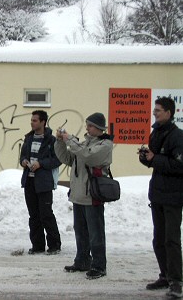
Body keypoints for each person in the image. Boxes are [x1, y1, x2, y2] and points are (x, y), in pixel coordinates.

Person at [54, 112, 113, 279]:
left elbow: (89, 155)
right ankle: (82, 260)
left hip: (92, 195)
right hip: (78, 194)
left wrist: (69, 139)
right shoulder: (84, 144)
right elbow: (67, 157)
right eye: (87, 124)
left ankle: (99, 265)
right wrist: (59, 141)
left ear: (100, 128)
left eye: (90, 125)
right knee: (80, 231)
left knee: (96, 232)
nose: (87, 128)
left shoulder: (105, 145)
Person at [139, 97, 183, 298]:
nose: (155, 113)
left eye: (158, 110)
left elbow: (179, 165)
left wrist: (154, 158)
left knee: (171, 239)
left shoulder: (178, 137)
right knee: (158, 239)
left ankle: (176, 281)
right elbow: (154, 161)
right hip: (157, 193)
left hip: (173, 195)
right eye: (154, 110)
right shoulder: (156, 132)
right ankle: (165, 275)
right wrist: (145, 157)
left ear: (169, 112)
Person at [20, 110, 62, 255]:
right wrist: (24, 161)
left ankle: (54, 245)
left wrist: (41, 164)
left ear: (43, 122)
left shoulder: (51, 140)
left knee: (46, 214)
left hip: (43, 182)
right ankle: (37, 245)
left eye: (35, 120)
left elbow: (57, 159)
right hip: (29, 181)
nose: (32, 122)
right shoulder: (28, 138)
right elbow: (23, 156)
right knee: (34, 215)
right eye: (31, 120)